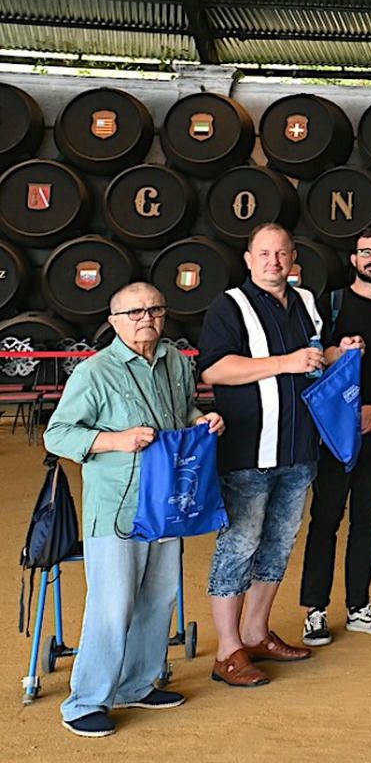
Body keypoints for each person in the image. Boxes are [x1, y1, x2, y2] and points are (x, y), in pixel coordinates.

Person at [45, 283, 224, 737]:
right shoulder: (95, 373)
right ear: (114, 321)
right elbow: (58, 434)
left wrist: (201, 422)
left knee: (158, 598)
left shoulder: (176, 365)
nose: (146, 317)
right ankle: (85, 701)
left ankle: (137, 684)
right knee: (113, 605)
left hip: (166, 504)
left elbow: (181, 414)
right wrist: (115, 441)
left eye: (154, 309)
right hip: (118, 507)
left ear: (164, 315)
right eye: (134, 311)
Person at [197, 223, 353, 687]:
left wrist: (337, 352)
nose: (273, 261)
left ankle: (257, 632)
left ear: (293, 258)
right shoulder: (229, 306)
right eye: (264, 254)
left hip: (300, 447)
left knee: (278, 545)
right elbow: (215, 369)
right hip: (248, 449)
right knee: (239, 546)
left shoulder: (305, 301)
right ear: (249, 259)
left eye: (281, 253)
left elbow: (314, 355)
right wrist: (284, 363)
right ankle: (227, 652)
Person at [300, 228, 371, 647]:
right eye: (366, 252)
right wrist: (340, 352)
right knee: (326, 518)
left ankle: (358, 606)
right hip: (334, 431)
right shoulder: (330, 304)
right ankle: (315, 611)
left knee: (367, 518)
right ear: (354, 259)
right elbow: (313, 358)